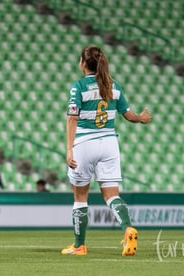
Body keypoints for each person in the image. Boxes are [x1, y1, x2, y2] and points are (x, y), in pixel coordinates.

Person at [62, 45, 152, 256]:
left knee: (80, 197)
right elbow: (128, 115)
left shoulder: (79, 86)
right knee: (111, 195)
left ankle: (79, 246)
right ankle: (127, 229)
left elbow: (72, 118)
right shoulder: (113, 85)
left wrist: (68, 149)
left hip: (85, 144)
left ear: (83, 63)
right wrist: (141, 118)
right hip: (110, 144)